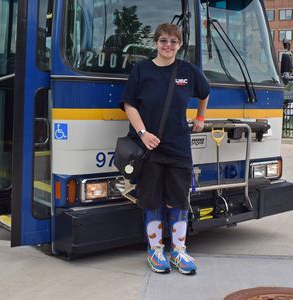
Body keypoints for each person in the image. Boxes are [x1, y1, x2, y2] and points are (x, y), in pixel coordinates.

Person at [120, 23, 209, 275]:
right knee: (152, 200)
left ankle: (179, 252)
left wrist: (200, 119)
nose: (168, 46)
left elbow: (205, 92)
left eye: (173, 41)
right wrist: (143, 134)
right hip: (149, 147)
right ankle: (155, 250)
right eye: (163, 41)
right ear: (155, 43)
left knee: (178, 200)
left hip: (179, 146)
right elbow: (129, 105)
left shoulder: (188, 71)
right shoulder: (141, 70)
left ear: (180, 45)